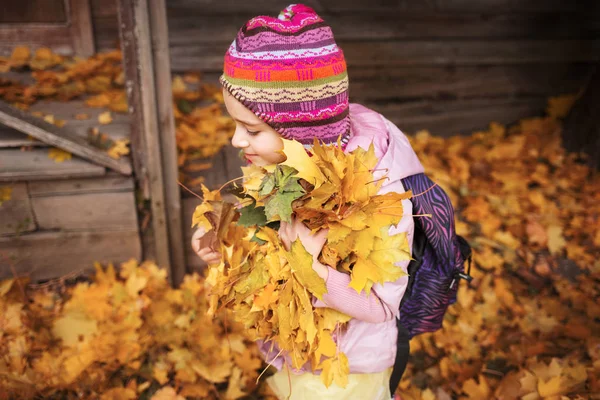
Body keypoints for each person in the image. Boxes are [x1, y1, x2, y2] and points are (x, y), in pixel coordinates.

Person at [191, 4, 424, 399]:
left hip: (348, 370)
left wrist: (313, 267)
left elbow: (384, 307)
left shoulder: (379, 195)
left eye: (250, 128)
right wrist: (223, 234)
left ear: (300, 129)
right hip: (289, 353)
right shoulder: (276, 162)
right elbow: (263, 225)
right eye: (234, 124)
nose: (236, 140)